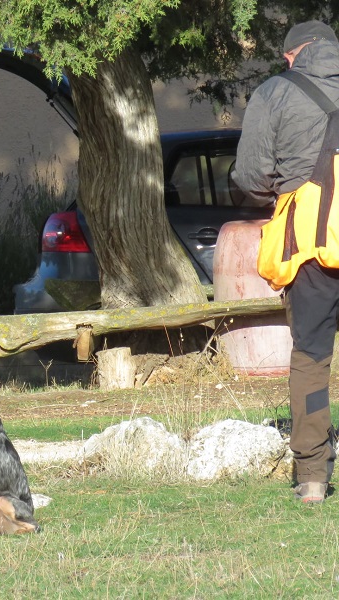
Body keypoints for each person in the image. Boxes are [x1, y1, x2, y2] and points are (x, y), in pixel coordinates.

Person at [233, 20, 339, 504]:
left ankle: (314, 476)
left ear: (293, 55)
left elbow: (252, 176)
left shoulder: (276, 91)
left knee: (312, 356)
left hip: (313, 243)